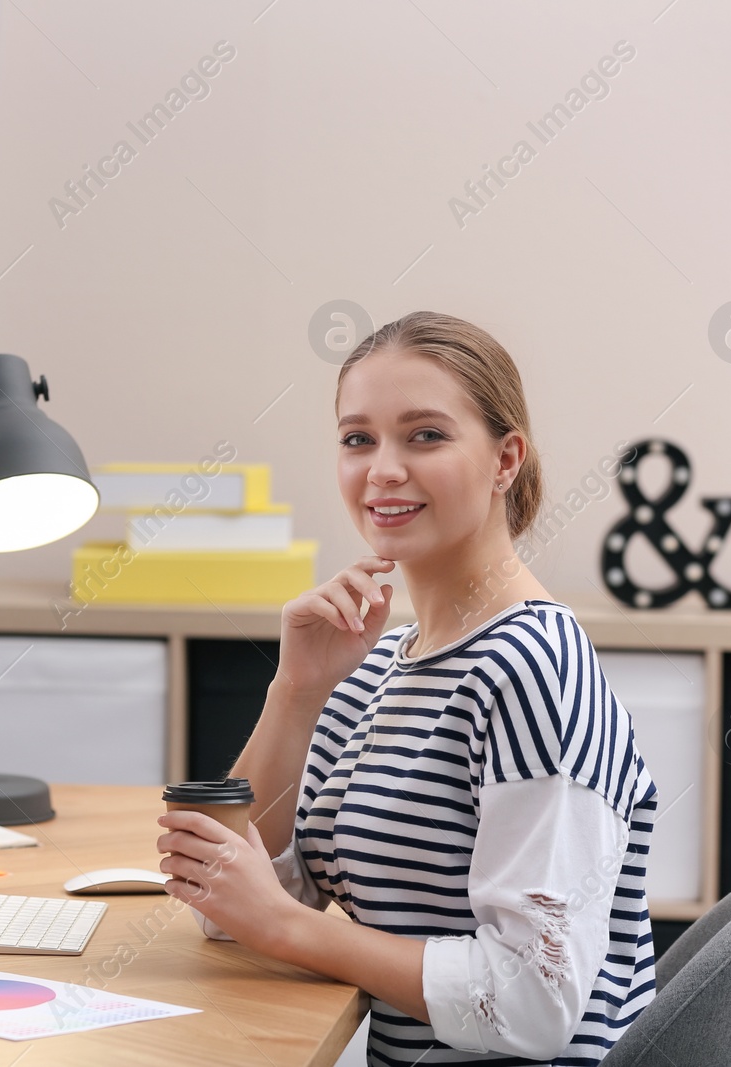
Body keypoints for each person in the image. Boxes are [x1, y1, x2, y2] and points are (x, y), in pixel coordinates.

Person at [156, 311, 658, 1065]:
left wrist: (289, 925)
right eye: (359, 438)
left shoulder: (533, 666)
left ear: (504, 459)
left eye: (425, 434)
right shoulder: (377, 665)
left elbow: (537, 998)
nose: (383, 468)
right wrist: (295, 690)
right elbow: (232, 909)